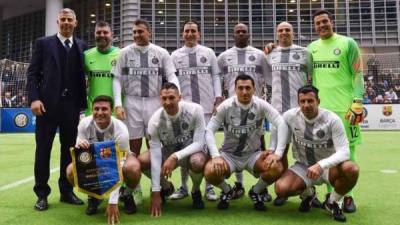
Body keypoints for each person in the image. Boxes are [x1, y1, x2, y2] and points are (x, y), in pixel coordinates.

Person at [112, 19, 180, 204]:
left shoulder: (161, 53)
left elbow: (171, 75)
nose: (136, 35)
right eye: (134, 32)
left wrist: (176, 95)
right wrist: (118, 103)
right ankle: (134, 188)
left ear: (149, 32)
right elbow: (117, 79)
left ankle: (159, 186)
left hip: (154, 103)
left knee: (154, 148)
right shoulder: (124, 53)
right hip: (131, 102)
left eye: (140, 32)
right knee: (132, 149)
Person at [26, 8, 87, 211]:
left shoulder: (81, 45)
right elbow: (32, 74)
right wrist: (34, 99)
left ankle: (66, 191)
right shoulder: (43, 43)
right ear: (57, 21)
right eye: (63, 19)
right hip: (47, 107)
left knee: (69, 151)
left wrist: (82, 106)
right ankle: (41, 194)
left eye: (70, 19)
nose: (66, 22)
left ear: (75, 23)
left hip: (71, 107)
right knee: (43, 150)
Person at [308, 9, 365, 213]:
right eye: (318, 23)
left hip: (346, 110)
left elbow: (358, 73)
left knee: (348, 154)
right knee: (326, 152)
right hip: (320, 112)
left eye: (325, 21)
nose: (322, 25)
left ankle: (347, 196)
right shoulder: (312, 48)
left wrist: (358, 101)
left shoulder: (348, 43)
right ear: (315, 26)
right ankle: (332, 196)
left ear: (331, 22)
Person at [275, 85, 359, 222]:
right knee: (281, 189)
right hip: (303, 167)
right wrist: (276, 153)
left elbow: (344, 152)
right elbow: (280, 136)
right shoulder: (290, 116)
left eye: (310, 101)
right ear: (298, 102)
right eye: (302, 101)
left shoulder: (332, 119)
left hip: (327, 168)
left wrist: (320, 165)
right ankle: (309, 195)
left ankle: (332, 202)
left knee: (352, 169)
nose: (306, 105)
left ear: (318, 101)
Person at [204, 74, 288, 211]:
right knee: (209, 171)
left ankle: (255, 191)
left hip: (253, 155)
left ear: (254, 89)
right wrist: (215, 156)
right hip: (229, 155)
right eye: (240, 88)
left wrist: (277, 153)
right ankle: (227, 191)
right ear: (235, 89)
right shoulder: (225, 106)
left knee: (277, 167)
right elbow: (209, 130)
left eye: (248, 88)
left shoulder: (261, 104)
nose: (244, 92)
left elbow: (281, 123)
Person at [66, 95, 141, 223]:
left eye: (104, 109)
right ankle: (94, 196)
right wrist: (80, 147)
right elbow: (81, 155)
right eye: (96, 109)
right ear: (92, 110)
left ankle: (127, 194)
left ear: (111, 111)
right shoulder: (84, 124)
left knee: (132, 168)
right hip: (95, 161)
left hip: (120, 162)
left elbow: (117, 165)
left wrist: (113, 202)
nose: (100, 113)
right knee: (71, 171)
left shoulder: (121, 130)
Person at [169, 19, 222, 201]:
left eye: (193, 31)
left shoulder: (208, 53)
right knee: (185, 146)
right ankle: (183, 186)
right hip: (184, 110)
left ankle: (209, 187)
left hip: (206, 108)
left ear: (199, 34)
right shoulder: (174, 55)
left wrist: (218, 99)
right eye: (187, 31)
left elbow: (215, 76)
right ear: (182, 34)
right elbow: (172, 81)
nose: (190, 34)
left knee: (205, 148)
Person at [138, 82, 207, 217]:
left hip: (192, 151)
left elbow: (199, 143)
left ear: (179, 97)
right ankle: (166, 188)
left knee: (198, 162)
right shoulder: (155, 121)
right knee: (143, 160)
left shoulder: (195, 110)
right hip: (169, 151)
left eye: (171, 98)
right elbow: (156, 155)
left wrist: (175, 156)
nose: (168, 102)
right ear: (160, 99)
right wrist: (156, 192)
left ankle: (195, 190)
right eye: (164, 98)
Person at [217, 23, 270, 199]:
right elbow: (218, 79)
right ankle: (238, 184)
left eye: (244, 31)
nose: (240, 34)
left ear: (249, 35)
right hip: (232, 109)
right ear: (233, 35)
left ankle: (263, 186)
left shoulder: (260, 55)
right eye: (237, 31)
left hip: (255, 107)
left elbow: (269, 77)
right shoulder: (224, 57)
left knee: (260, 141)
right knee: (232, 140)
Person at [265, 21, 313, 206]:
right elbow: (269, 79)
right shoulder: (270, 54)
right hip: (278, 111)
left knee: (305, 150)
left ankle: (308, 190)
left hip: (300, 111)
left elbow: (311, 77)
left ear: (293, 33)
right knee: (281, 151)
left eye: (287, 30)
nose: (284, 33)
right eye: (281, 30)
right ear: (277, 34)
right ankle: (282, 189)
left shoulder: (304, 53)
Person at [84, 21, 119, 115]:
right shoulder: (86, 55)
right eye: (98, 32)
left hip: (115, 112)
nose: (102, 35)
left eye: (105, 32)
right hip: (93, 112)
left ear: (112, 35)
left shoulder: (122, 55)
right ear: (94, 35)